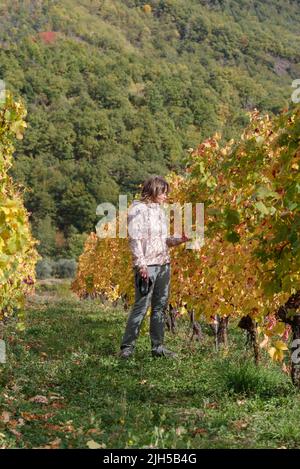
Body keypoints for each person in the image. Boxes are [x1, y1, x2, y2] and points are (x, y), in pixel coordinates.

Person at [119, 175, 190, 359]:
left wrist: (179, 240)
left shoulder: (159, 210)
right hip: (147, 266)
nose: (166, 196)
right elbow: (134, 239)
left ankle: (157, 348)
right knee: (141, 307)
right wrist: (141, 265)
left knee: (160, 307)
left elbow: (163, 240)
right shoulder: (138, 209)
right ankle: (127, 348)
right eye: (164, 193)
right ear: (153, 191)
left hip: (163, 263)